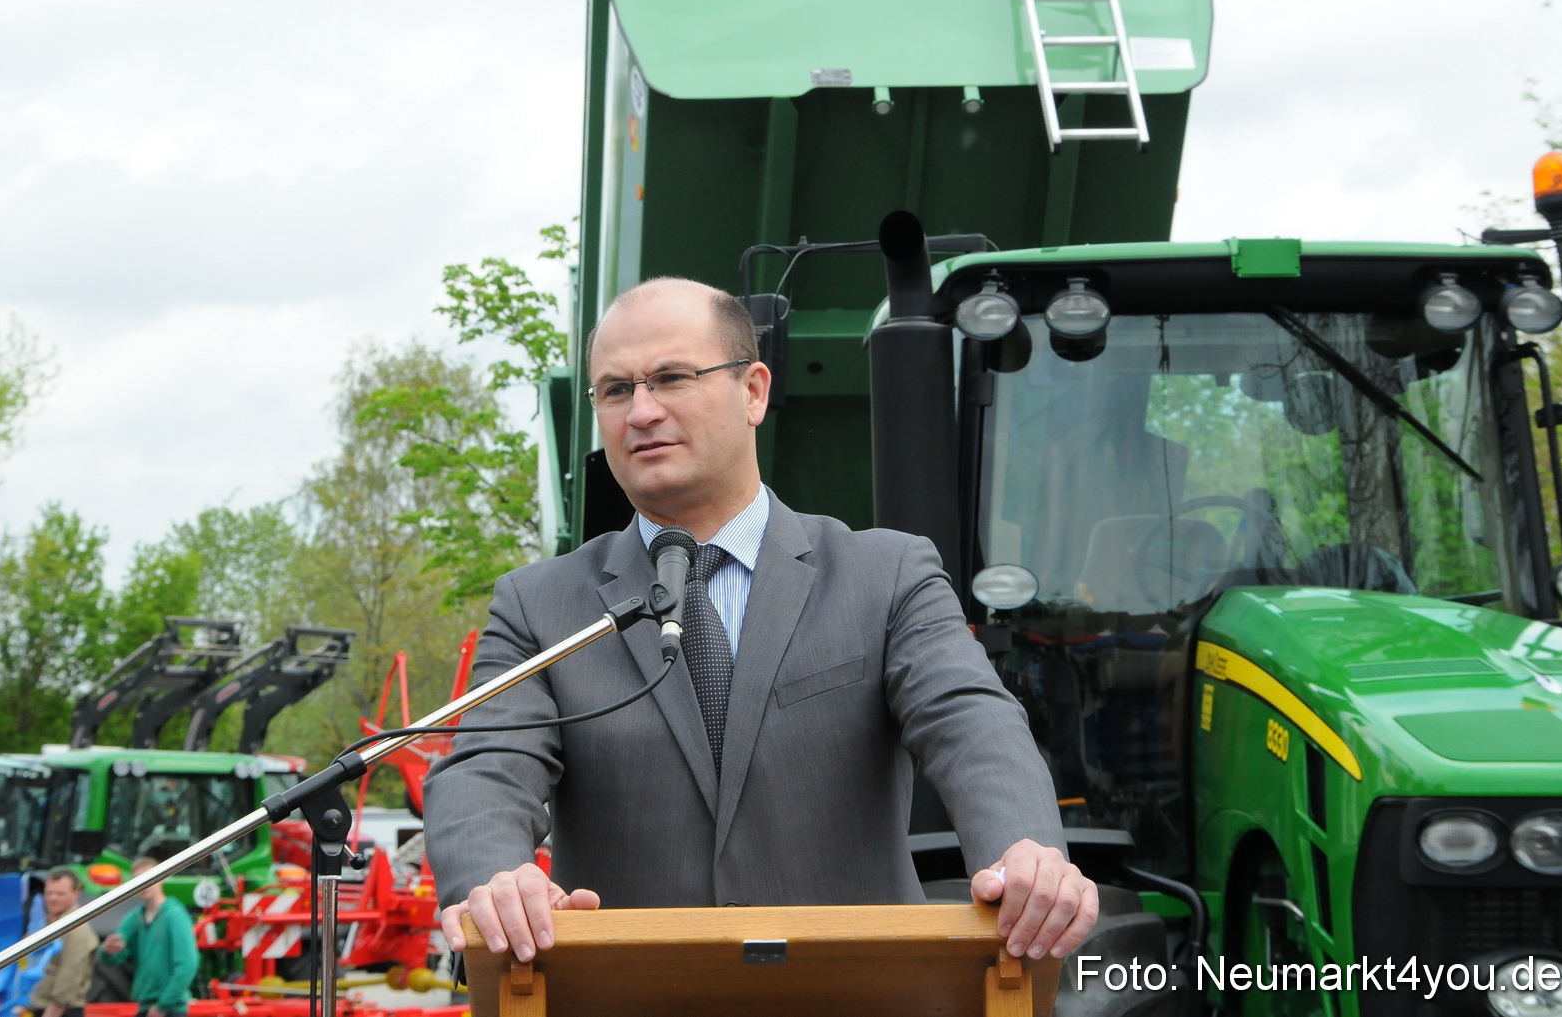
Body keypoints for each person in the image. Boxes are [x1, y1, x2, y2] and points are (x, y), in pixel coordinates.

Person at [426, 277, 1098, 966]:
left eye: (670, 377)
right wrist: (493, 877)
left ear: (752, 391)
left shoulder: (885, 574)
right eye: (616, 390)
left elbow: (970, 720)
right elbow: (486, 768)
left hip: (855, 994)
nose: (642, 411)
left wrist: (1023, 850)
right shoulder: (539, 605)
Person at [97, 854, 196, 1017]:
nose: (144, 885)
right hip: (146, 1006)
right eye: (138, 880)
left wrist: (162, 1007)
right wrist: (106, 951)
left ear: (162, 878)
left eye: (149, 878)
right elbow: (113, 959)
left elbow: (187, 965)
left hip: (171, 1009)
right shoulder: (134, 918)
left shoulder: (174, 915)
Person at [28, 869, 97, 1017]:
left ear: (76, 894)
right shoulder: (42, 924)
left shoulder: (76, 929)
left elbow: (69, 977)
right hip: (39, 1006)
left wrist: (52, 1012)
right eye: (49, 893)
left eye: (60, 894)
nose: (53, 898)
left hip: (60, 1012)